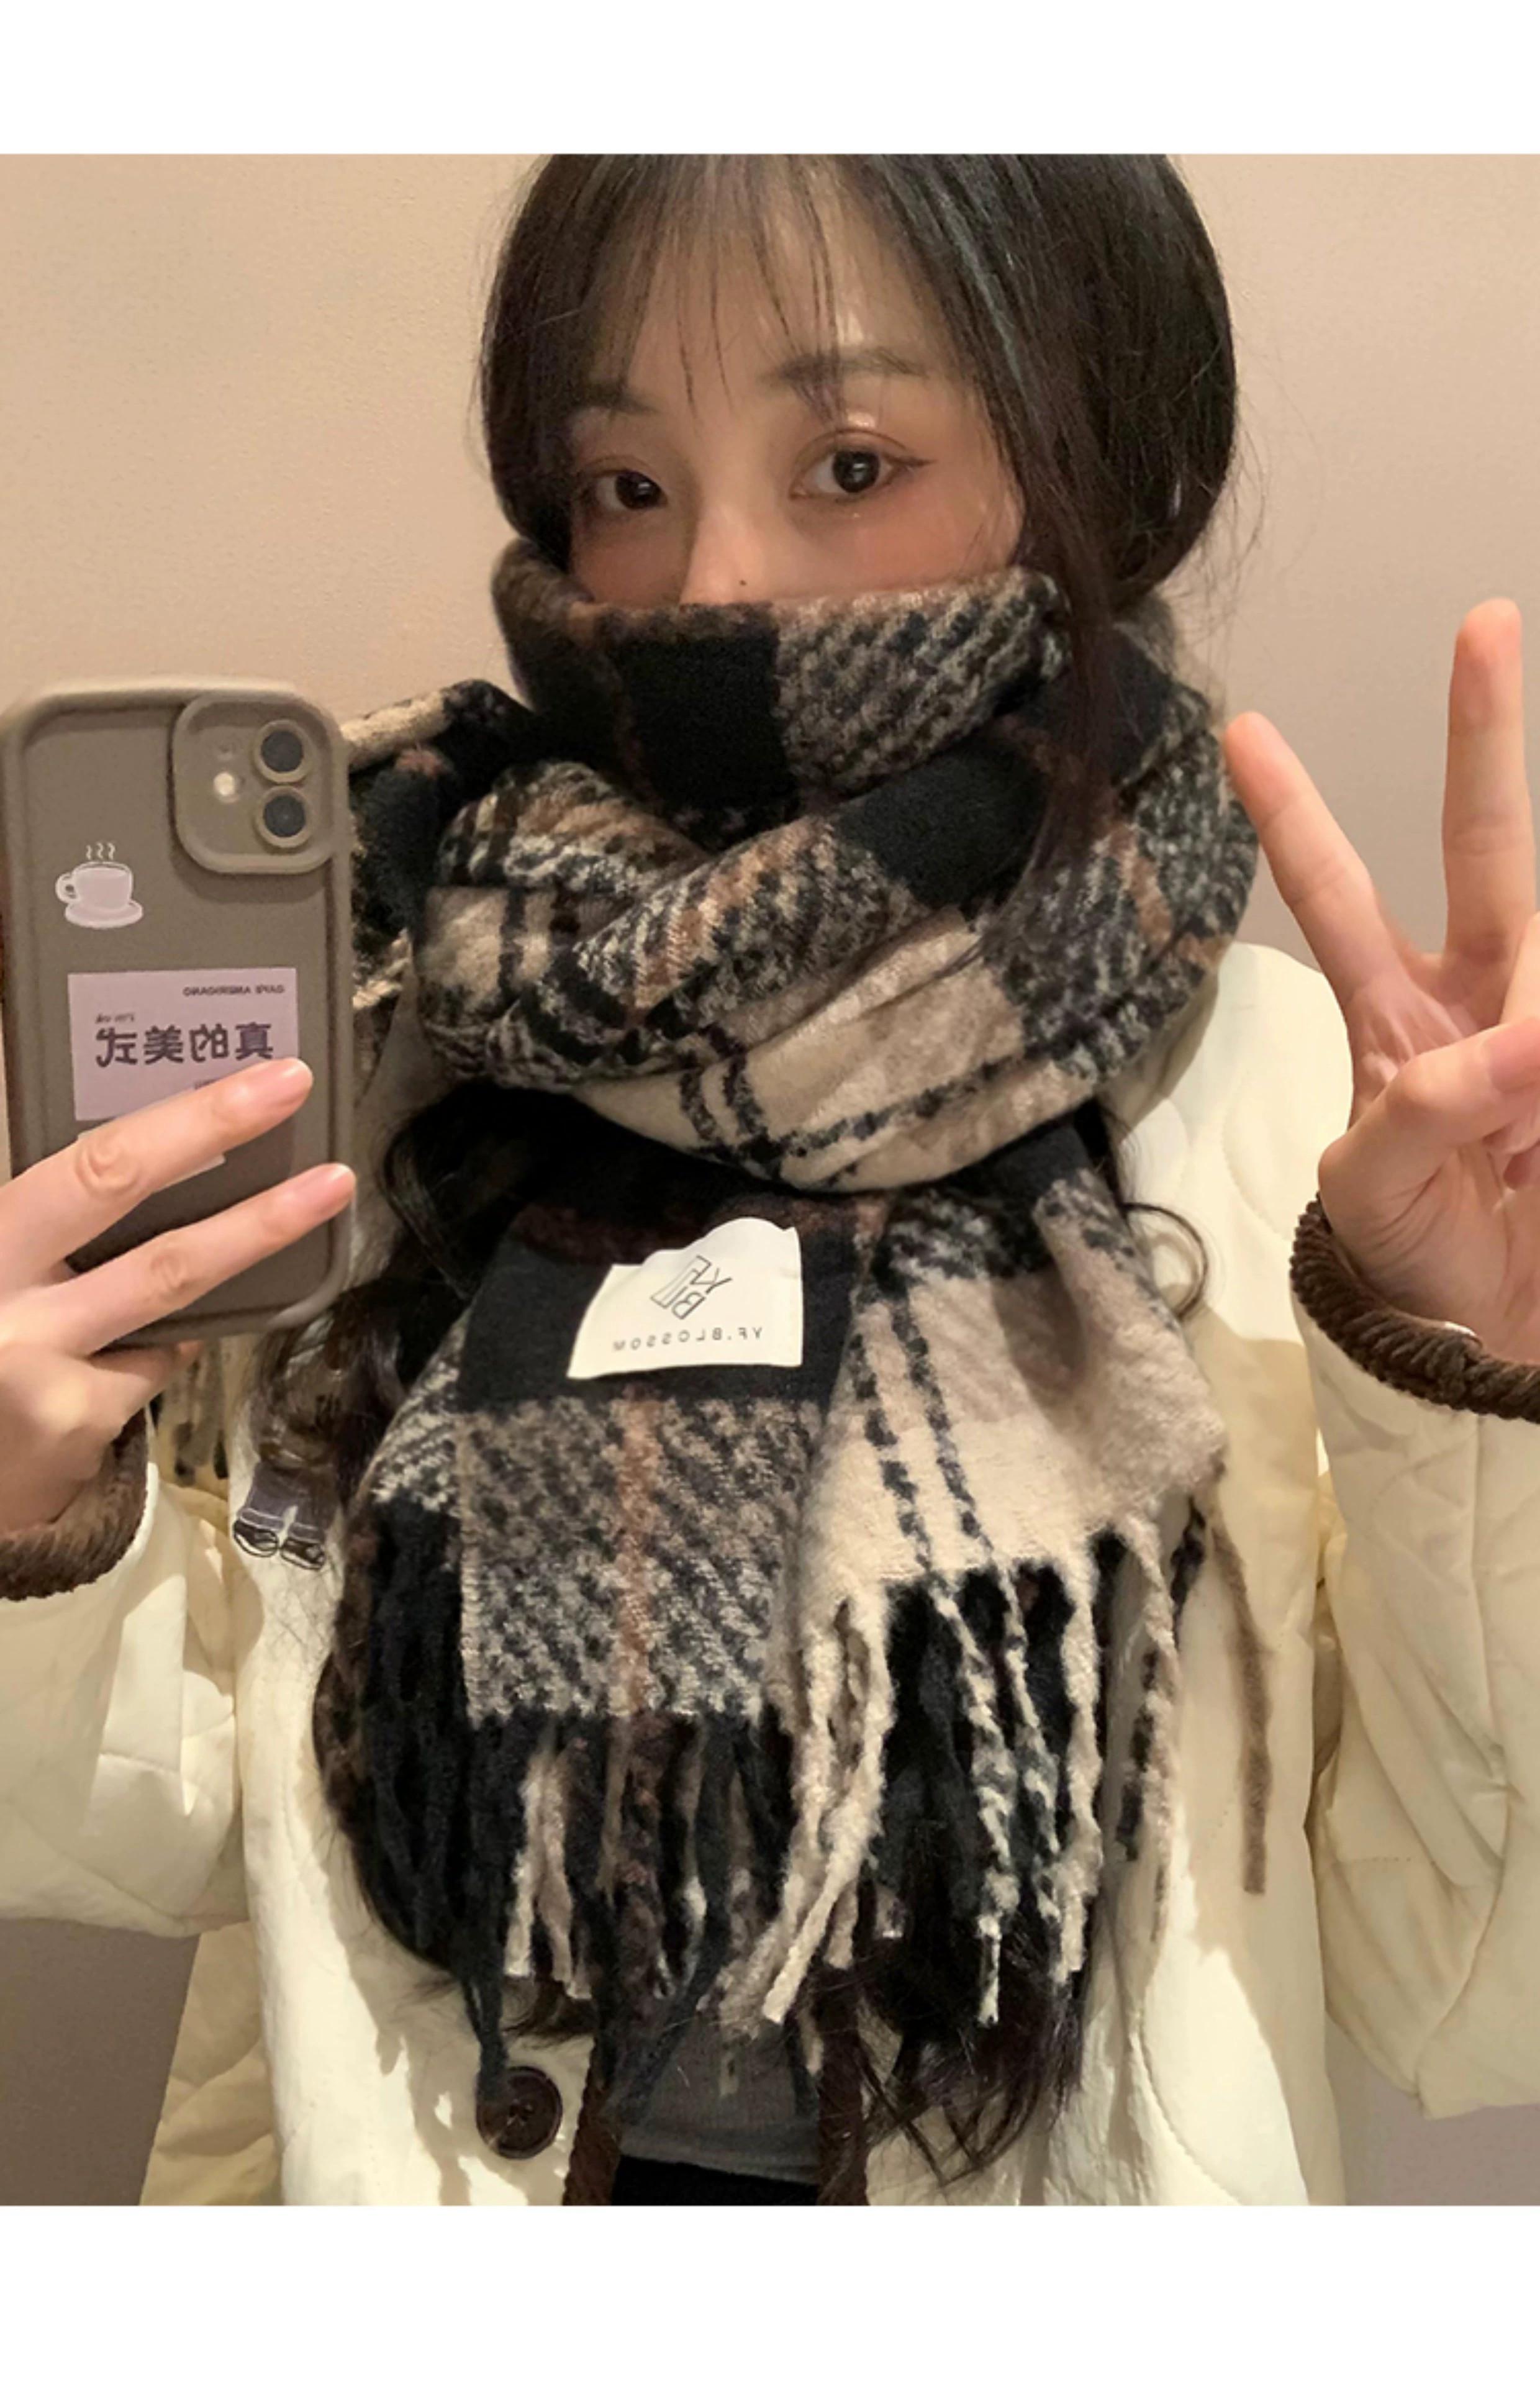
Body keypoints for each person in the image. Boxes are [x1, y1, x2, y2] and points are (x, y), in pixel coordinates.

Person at [3, 155, 1539, 2210]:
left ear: (1089, 463)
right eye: (627, 484)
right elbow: (194, 1826)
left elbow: (1466, 1985)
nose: (712, 580)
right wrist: (30, 1511)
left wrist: (1470, 1375)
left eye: (850, 460)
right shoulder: (412, 1049)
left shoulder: (1291, 1123)